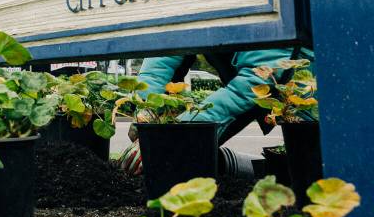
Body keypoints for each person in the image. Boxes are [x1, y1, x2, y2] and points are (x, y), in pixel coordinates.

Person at [118, 47, 312, 177]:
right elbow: (166, 50)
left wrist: (172, 137)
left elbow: (257, 80)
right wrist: (147, 109)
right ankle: (227, 164)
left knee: (308, 172)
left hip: (314, 96)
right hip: (261, 85)